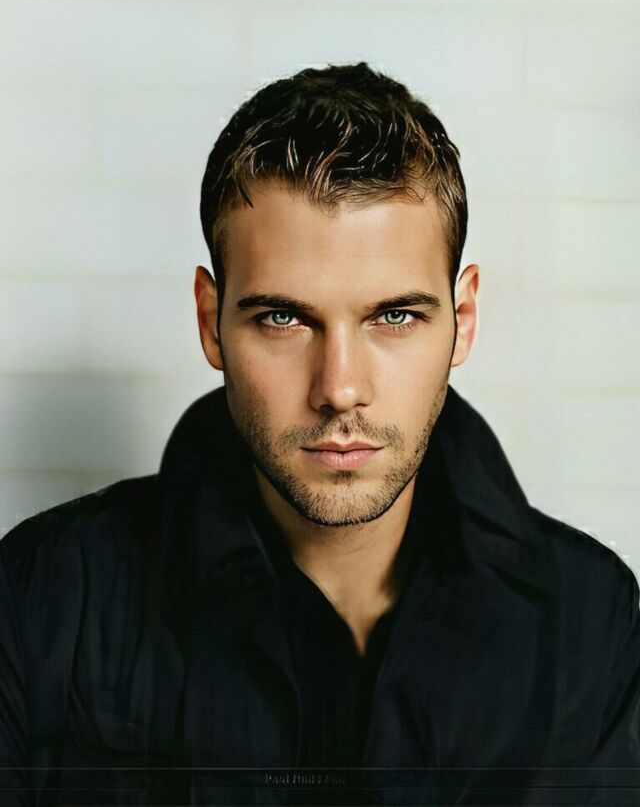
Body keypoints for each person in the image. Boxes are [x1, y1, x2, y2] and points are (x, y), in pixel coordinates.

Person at [1, 63, 638, 807]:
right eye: (284, 318)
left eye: (394, 316)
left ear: (463, 320)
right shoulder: (45, 596)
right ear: (211, 321)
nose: (339, 387)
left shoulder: (587, 620)